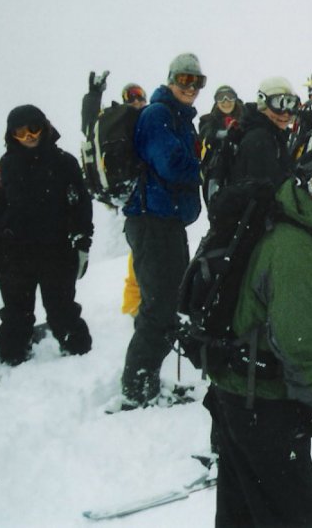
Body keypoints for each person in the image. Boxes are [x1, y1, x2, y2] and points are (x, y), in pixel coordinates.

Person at [207, 148, 312, 528]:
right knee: (291, 516)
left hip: (237, 392)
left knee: (241, 509)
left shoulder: (291, 229)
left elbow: (276, 310)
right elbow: (297, 341)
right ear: (302, 190)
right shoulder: (294, 247)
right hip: (265, 402)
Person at [118, 52, 203, 409]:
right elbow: (168, 163)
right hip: (151, 221)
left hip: (167, 222)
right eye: (184, 80)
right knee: (159, 307)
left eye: (197, 81)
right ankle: (136, 388)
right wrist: (204, 163)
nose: (191, 88)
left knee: (170, 303)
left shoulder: (180, 118)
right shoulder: (158, 114)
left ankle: (146, 379)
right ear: (171, 79)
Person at [0, 104, 94, 365]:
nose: (29, 136)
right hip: (15, 253)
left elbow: (81, 207)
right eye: (20, 133)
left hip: (57, 251)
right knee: (15, 315)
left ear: (44, 126)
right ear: (12, 136)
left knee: (62, 311)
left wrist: (82, 243)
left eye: (33, 128)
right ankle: (12, 360)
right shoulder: (7, 165)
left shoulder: (64, 162)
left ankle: (81, 359)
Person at [227, 76, 300, 187]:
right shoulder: (260, 140)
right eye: (278, 103)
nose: (286, 113)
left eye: (291, 104)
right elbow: (265, 191)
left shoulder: (274, 136)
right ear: (263, 104)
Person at [117, 82, 148, 318]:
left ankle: (137, 303)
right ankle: (132, 306)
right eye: (131, 98)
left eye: (140, 98)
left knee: (141, 255)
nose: (136, 102)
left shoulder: (144, 121)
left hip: (143, 198)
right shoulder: (124, 125)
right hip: (137, 200)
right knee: (138, 256)